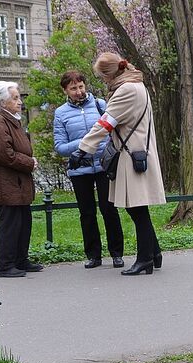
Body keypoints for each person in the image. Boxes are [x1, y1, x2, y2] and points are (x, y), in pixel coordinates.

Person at [69, 53, 164, 276]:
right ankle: (154, 253)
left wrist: (83, 149)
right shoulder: (137, 84)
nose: (103, 82)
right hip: (139, 151)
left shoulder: (126, 90)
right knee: (138, 209)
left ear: (110, 73)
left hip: (131, 154)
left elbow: (105, 122)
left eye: (103, 77)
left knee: (136, 208)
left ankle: (145, 259)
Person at [53, 70, 125, 270]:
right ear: (65, 90)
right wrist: (85, 142)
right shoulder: (60, 113)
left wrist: (97, 141)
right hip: (80, 169)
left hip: (103, 165)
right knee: (87, 213)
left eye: (81, 86)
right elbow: (60, 147)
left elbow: (113, 134)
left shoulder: (100, 105)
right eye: (73, 88)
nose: (78, 91)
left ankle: (117, 253)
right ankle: (93, 255)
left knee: (109, 210)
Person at [0, 81, 43, 278]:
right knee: (10, 225)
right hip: (4, 184)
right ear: (2, 102)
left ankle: (20, 260)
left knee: (23, 222)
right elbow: (4, 154)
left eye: (19, 98)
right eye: (15, 98)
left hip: (16, 183)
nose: (20, 102)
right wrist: (29, 163)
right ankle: (6, 266)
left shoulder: (10, 119)